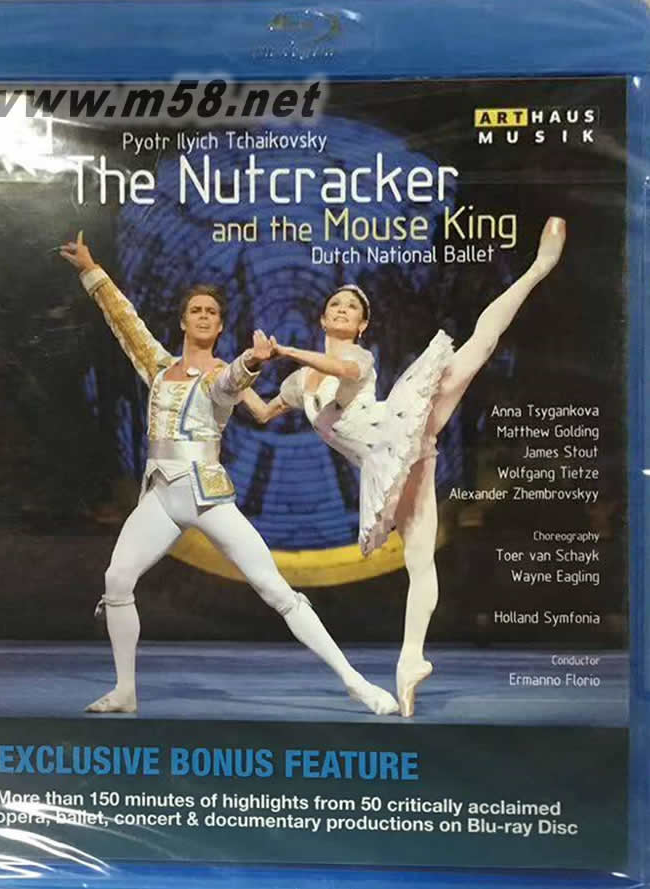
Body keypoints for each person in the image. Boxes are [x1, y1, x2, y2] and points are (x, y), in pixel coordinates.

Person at [59, 232, 399, 716]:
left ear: (220, 326)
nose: (203, 316)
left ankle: (355, 682)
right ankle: (125, 691)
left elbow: (230, 382)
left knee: (275, 590)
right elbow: (125, 321)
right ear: (183, 320)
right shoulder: (159, 367)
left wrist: (253, 360)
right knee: (117, 579)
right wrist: (90, 269)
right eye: (195, 310)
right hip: (159, 495)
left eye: (211, 312)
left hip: (206, 495)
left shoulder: (222, 373)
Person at [241, 217, 567, 717]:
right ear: (323, 319)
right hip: (390, 465)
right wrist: (229, 375)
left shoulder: (359, 359)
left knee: (478, 347)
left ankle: (539, 267)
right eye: (335, 305)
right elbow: (263, 413)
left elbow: (342, 370)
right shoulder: (298, 381)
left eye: (352, 307)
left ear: (361, 326)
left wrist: (282, 350)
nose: (343, 309)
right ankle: (410, 662)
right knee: (419, 559)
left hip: (399, 427)